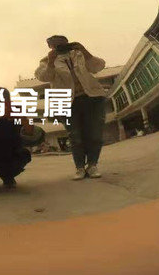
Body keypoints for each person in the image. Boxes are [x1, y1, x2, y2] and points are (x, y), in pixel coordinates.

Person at [35, 35, 106, 180]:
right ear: (50, 47)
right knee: (75, 136)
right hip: (66, 103)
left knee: (95, 134)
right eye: (56, 45)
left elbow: (98, 67)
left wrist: (85, 51)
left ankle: (92, 165)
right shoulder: (46, 61)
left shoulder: (80, 54)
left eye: (63, 44)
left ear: (69, 43)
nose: (60, 47)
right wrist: (51, 62)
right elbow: (43, 77)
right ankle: (80, 167)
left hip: (92, 97)